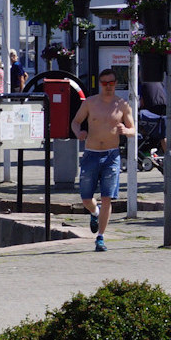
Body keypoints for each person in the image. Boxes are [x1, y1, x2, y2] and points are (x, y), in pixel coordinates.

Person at [71, 69, 135, 252]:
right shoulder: (90, 103)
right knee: (85, 198)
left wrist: (126, 130)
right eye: (104, 83)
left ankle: (100, 237)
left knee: (107, 197)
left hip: (111, 155)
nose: (108, 86)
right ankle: (94, 212)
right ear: (100, 84)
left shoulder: (122, 105)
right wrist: (79, 133)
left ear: (116, 83)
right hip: (91, 153)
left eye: (111, 83)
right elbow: (75, 122)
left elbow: (133, 129)